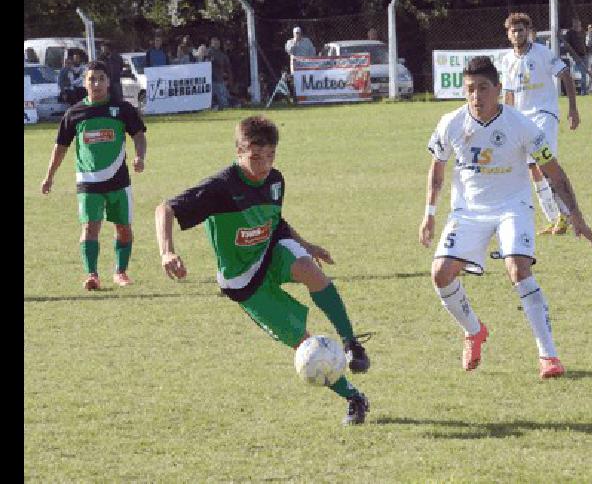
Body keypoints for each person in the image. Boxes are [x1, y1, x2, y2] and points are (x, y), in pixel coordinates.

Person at [154, 116, 373, 425]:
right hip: (243, 282)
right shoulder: (221, 187)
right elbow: (165, 209)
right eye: (255, 156)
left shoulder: (275, 181)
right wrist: (167, 251)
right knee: (306, 345)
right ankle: (354, 397)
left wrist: (306, 245)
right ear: (239, 152)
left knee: (310, 270)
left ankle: (352, 344)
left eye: (269, 156)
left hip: (272, 251)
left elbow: (275, 221)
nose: (263, 164)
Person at [419, 56, 592, 379]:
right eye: (470, 89)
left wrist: (576, 216)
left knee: (518, 267)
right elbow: (437, 169)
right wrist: (429, 214)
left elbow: (554, 172)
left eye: (483, 89)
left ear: (499, 90)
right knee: (440, 273)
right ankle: (474, 331)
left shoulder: (522, 126)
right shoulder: (451, 123)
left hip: (512, 207)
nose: (476, 97)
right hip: (469, 211)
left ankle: (548, 355)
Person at [40, 61, 148, 291]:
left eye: (101, 78)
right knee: (90, 227)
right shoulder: (75, 113)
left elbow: (139, 134)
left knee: (124, 228)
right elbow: (60, 147)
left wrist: (140, 156)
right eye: (92, 79)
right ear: (84, 82)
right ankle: (92, 274)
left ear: (108, 82)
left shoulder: (123, 109)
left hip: (119, 180)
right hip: (88, 182)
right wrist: (49, 176)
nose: (96, 83)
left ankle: (120, 272)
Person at [500, 12, 581, 236]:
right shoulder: (507, 60)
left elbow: (565, 74)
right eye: (513, 30)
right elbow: (508, 94)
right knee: (531, 169)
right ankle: (556, 218)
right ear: (508, 35)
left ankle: (567, 214)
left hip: (544, 115)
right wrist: (506, 121)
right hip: (521, 119)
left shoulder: (543, 53)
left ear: (529, 31)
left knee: (545, 164)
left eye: (521, 29)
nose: (517, 33)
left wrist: (572, 108)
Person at [209, 37, 232, 109]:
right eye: (215, 43)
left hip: (219, 79)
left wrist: (228, 77)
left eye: (218, 43)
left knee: (223, 97)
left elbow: (227, 66)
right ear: (211, 44)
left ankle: (224, 106)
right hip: (210, 79)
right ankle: (213, 106)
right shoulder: (208, 52)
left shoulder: (222, 54)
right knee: (210, 96)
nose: (216, 45)